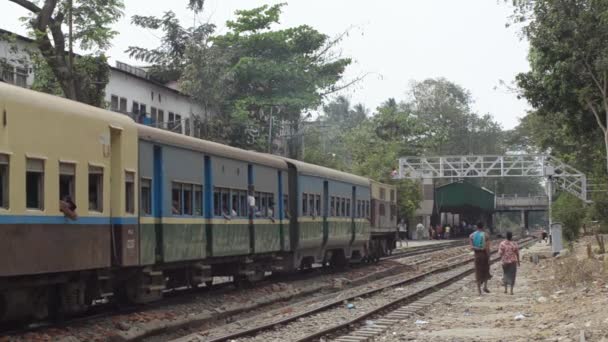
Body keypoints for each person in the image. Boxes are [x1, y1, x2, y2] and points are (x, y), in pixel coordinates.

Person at [470, 221, 491, 295]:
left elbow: (471, 248)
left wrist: (477, 248)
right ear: (483, 227)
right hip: (484, 255)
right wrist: (488, 257)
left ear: (476, 226)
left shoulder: (472, 235)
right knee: (486, 270)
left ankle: (479, 290)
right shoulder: (486, 235)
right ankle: (485, 286)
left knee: (478, 272)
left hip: (477, 256)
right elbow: (487, 248)